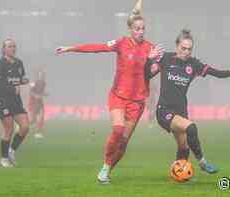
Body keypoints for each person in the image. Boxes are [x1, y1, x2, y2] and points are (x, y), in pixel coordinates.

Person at [56, 0, 162, 183]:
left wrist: (153, 62)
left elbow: (150, 74)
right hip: (118, 96)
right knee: (118, 129)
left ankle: (106, 171)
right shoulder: (121, 43)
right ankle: (105, 166)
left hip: (137, 101)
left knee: (123, 144)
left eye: (143, 28)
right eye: (137, 28)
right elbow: (97, 48)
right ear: (130, 29)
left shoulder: (150, 48)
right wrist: (70, 48)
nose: (141, 32)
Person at [145, 29, 230, 174]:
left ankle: (179, 174)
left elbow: (215, 73)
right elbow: (147, 75)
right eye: (183, 48)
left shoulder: (194, 64)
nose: (186, 52)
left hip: (181, 111)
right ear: (176, 46)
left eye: (189, 49)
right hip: (164, 111)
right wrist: (149, 59)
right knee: (191, 128)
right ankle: (202, 162)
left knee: (184, 147)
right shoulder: (165, 59)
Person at [0, 38, 30, 167]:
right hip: (3, 101)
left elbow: (20, 79)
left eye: (14, 46)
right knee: (9, 129)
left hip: (16, 101)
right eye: (9, 46)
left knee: (25, 126)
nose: (13, 48)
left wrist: (23, 81)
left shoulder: (19, 63)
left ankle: (11, 151)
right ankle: (3, 159)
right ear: (4, 49)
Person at [28, 70, 48, 139]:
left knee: (41, 117)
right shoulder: (33, 82)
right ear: (37, 75)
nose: (41, 76)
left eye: (42, 74)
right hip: (33, 102)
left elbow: (42, 92)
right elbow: (30, 92)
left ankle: (38, 133)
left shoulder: (44, 83)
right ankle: (22, 125)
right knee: (33, 120)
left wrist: (45, 94)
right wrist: (36, 95)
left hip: (40, 102)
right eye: (40, 74)